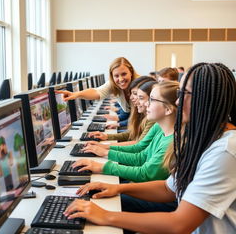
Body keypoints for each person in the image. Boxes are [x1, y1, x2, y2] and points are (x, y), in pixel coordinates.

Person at [64, 62, 236, 234]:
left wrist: (106, 215)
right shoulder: (202, 138)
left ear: (205, 98)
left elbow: (179, 225)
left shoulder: (225, 151)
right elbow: (168, 189)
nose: (177, 100)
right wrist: (118, 188)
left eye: (184, 94)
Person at [72, 81, 179, 183]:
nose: (147, 104)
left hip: (148, 191)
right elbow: (141, 157)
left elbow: (145, 174)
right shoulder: (159, 128)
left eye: (152, 100)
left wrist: (103, 165)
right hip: (141, 183)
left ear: (168, 109)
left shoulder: (171, 142)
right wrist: (105, 151)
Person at [56, 57, 139, 113]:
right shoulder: (113, 84)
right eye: (116, 76)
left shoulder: (141, 84)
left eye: (124, 74)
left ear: (131, 72)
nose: (120, 79)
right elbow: (96, 92)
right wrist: (75, 94)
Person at [88, 80, 157, 145]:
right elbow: (132, 133)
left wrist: (105, 147)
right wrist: (107, 136)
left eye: (137, 95)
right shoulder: (141, 114)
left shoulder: (152, 119)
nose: (131, 98)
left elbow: (139, 145)